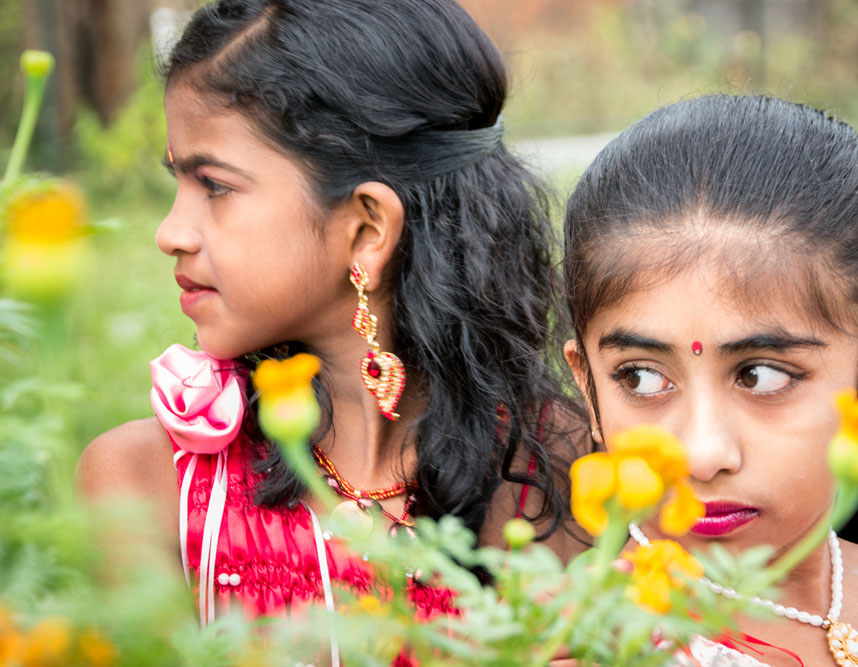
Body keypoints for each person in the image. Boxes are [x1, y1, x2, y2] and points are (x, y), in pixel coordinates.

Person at [76, 0, 588, 631]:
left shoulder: (570, 473)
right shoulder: (144, 481)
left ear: (368, 228)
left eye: (214, 185)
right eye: (177, 184)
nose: (171, 232)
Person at [561, 95, 858, 666]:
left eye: (760, 376)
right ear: (588, 387)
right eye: (641, 377)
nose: (702, 454)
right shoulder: (577, 638)